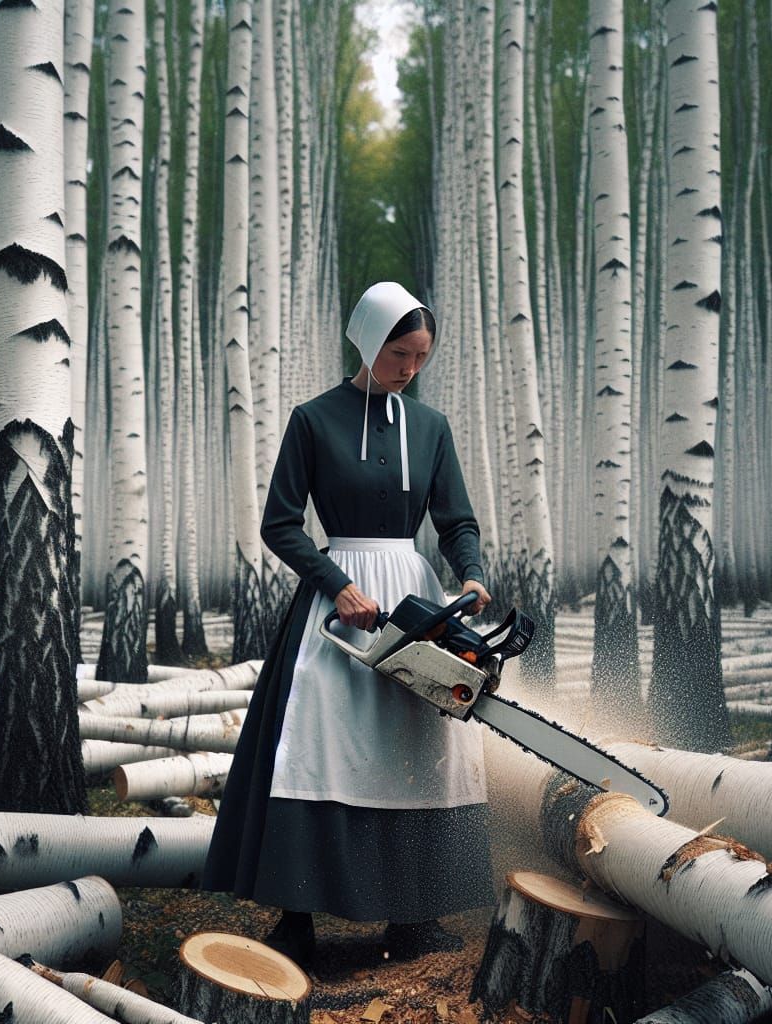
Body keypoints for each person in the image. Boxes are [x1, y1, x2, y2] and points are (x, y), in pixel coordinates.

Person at [202, 281, 494, 969]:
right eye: (399, 353)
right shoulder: (313, 419)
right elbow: (280, 524)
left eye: (421, 357)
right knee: (316, 747)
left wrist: (471, 572)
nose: (409, 370)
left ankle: (412, 915)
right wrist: (338, 584)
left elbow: (456, 519)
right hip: (338, 608)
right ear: (367, 342)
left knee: (416, 749)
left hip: (415, 598)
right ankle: (295, 918)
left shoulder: (431, 428)